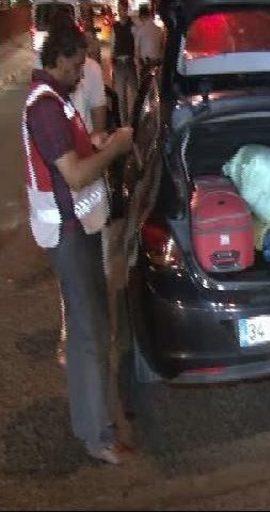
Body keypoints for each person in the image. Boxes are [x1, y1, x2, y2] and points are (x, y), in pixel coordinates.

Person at [21, 22, 134, 464]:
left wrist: (97, 142)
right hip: (70, 237)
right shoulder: (46, 108)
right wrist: (117, 148)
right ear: (62, 58)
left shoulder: (55, 101)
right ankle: (98, 437)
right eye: (78, 64)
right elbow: (74, 174)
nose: (82, 73)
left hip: (77, 230)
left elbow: (74, 157)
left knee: (92, 330)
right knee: (88, 335)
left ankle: (95, 425)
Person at [111, 1, 137, 126]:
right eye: (120, 9)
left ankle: (135, 120)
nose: (122, 12)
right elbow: (112, 44)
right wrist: (112, 61)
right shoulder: (115, 26)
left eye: (124, 9)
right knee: (121, 96)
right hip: (119, 64)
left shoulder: (133, 25)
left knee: (135, 93)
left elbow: (136, 43)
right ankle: (123, 122)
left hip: (130, 62)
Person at [134, 4, 164, 80]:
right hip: (157, 63)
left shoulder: (140, 30)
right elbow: (162, 47)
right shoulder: (159, 30)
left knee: (145, 87)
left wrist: (137, 63)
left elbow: (137, 50)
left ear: (141, 16)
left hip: (146, 63)